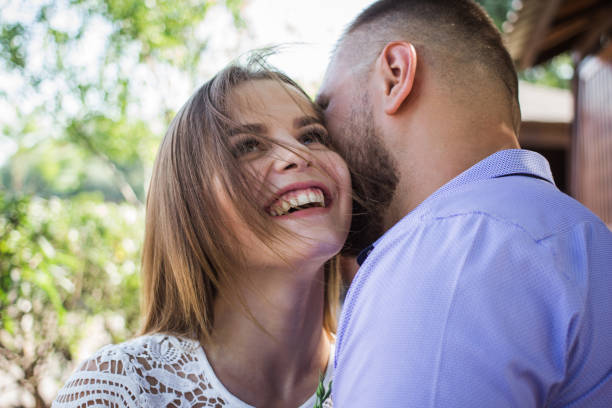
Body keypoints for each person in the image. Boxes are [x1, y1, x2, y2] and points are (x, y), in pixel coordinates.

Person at [316, 0, 612, 406]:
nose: (320, 142)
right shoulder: (583, 234)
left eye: (325, 106)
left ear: (395, 76)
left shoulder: (440, 260)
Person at [52, 60, 351, 407]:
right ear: (190, 207)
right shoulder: (122, 388)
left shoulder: (393, 366)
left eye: (312, 136)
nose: (298, 154)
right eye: (248, 146)